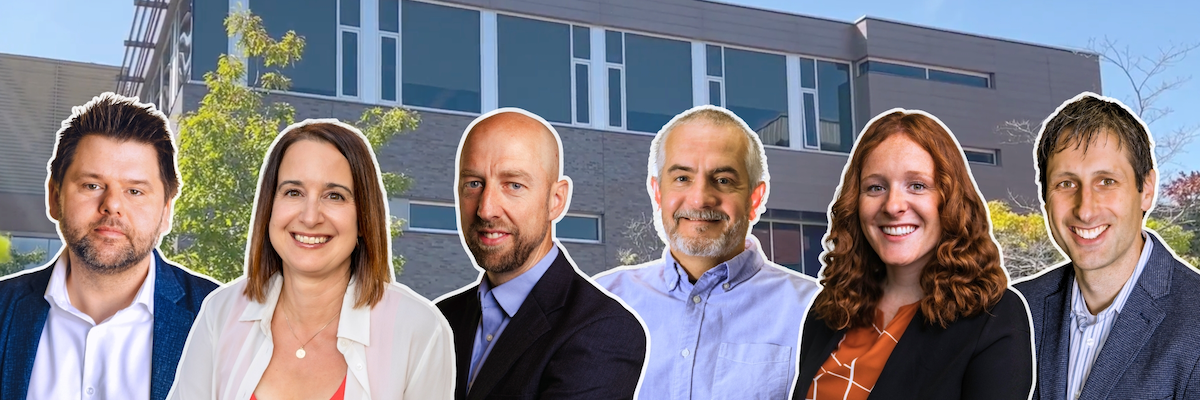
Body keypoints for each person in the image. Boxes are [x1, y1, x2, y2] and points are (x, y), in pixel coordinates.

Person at [167, 119, 454, 399]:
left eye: (335, 196)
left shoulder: (419, 329)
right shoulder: (220, 313)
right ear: (269, 207)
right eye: (293, 192)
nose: (309, 216)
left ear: (364, 218)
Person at [794, 109, 1033, 400]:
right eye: (875, 187)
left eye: (917, 186)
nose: (893, 206)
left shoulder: (993, 317)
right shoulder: (829, 310)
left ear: (950, 200)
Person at [0, 92, 219, 400]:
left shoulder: (223, 320)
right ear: (54, 197)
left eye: (135, 190)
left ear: (167, 211)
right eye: (92, 185)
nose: (112, 205)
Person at [593, 105, 820, 399]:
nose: (700, 199)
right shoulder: (600, 302)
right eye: (682, 178)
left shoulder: (813, 311)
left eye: (723, 180)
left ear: (755, 197)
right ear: (657, 193)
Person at [434, 108, 647, 400]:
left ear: (556, 200)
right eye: (474, 183)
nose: (486, 209)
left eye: (513, 185)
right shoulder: (439, 319)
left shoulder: (603, 330)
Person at [1014, 93, 1200, 399]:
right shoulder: (1016, 309)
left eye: (1107, 181)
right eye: (1066, 183)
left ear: (1147, 190)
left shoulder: (1194, 320)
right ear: (1045, 196)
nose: (1085, 209)